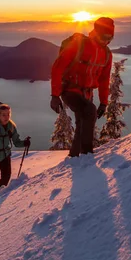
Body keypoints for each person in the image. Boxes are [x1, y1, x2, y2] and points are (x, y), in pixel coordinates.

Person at [50, 17, 114, 157]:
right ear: (96, 32)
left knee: (82, 122)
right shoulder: (79, 45)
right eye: (104, 36)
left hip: (87, 94)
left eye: (110, 38)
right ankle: (87, 155)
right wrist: (55, 95)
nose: (106, 41)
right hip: (69, 90)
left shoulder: (107, 55)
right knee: (89, 110)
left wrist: (104, 102)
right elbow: (57, 68)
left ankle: (74, 157)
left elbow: (104, 79)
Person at [0, 104, 30, 196]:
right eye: (3, 115)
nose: (6, 117)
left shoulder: (11, 126)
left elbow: (16, 142)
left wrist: (24, 143)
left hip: (5, 155)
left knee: (6, 176)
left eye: (8, 114)